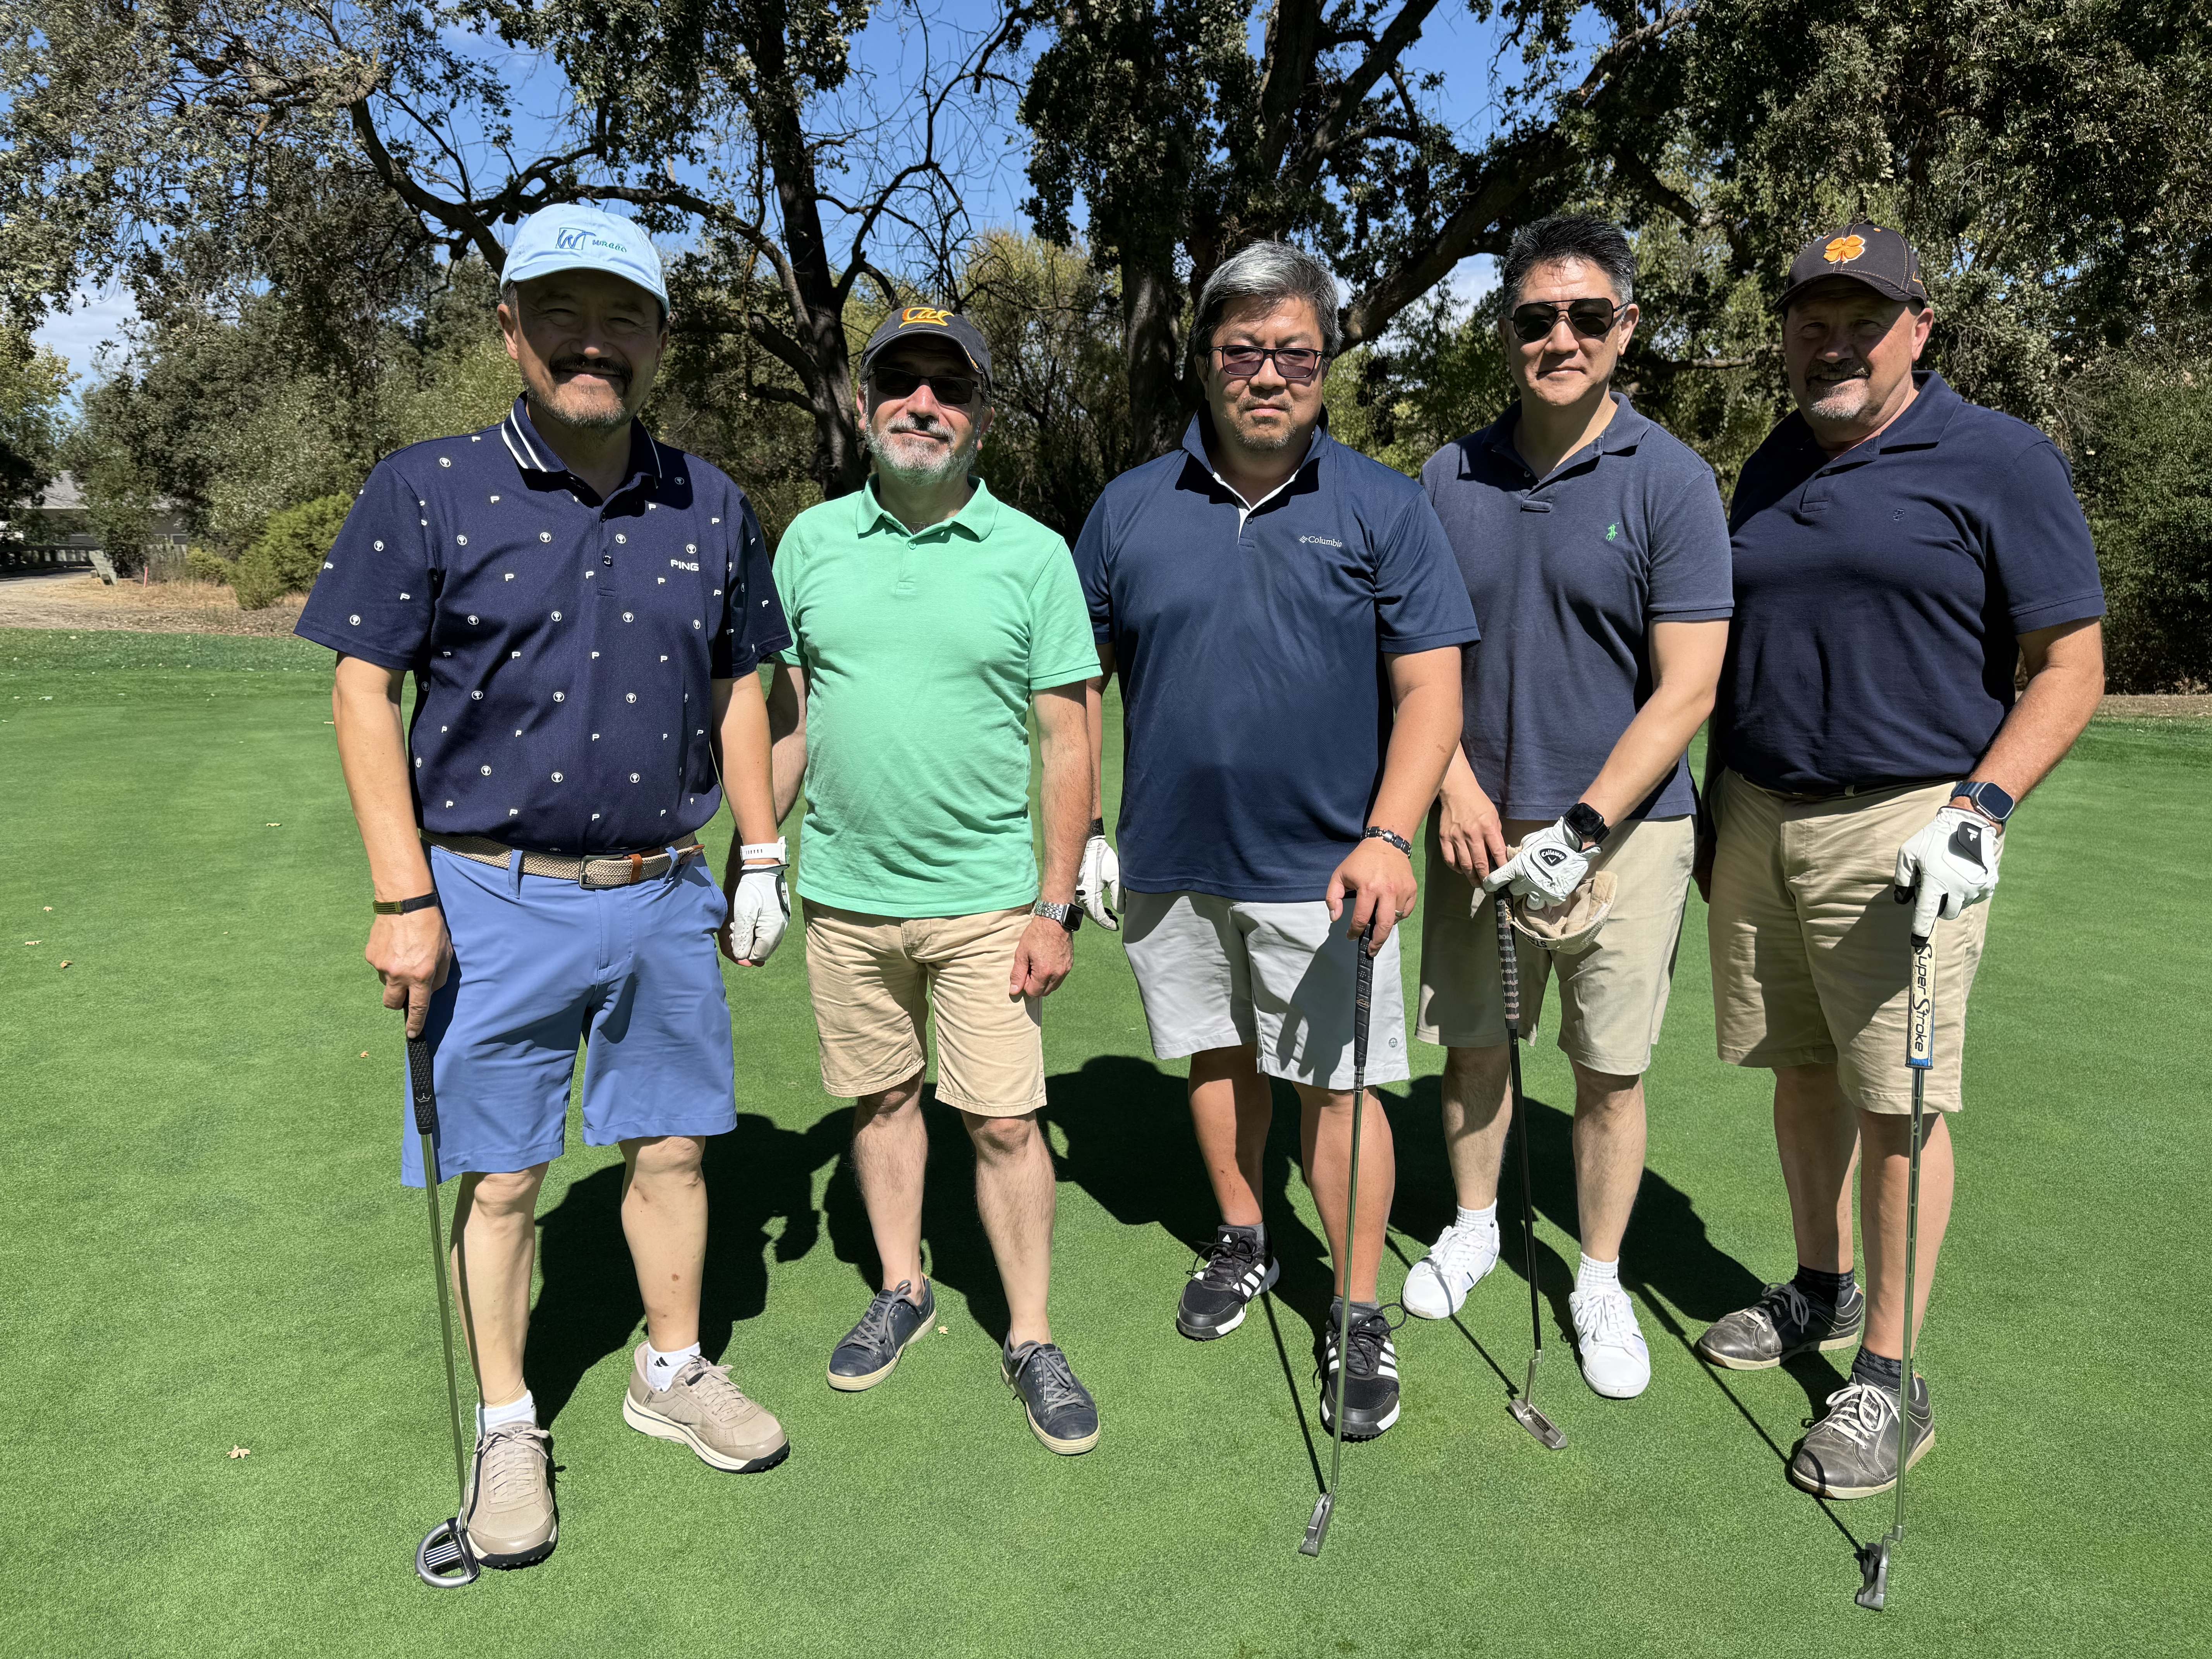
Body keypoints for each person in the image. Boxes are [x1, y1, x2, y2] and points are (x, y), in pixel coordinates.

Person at [299, 204, 797, 1569]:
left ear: (660, 339)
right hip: (486, 892)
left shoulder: (712, 502)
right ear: (511, 327)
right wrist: (403, 897)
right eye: (564, 314)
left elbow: (740, 686)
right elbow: (362, 688)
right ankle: (509, 1422)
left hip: (661, 888)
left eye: (623, 316)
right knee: (506, 1177)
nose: (595, 342)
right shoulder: (428, 487)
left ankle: (672, 1367)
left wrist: (761, 850)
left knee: (675, 1147)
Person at [1693, 222, 2106, 1498]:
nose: (1835, 345)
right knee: (1803, 1071)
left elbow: (2071, 665)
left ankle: (1891, 1372)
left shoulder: (1999, 458)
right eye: (1812, 322)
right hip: (1759, 813)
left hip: (1909, 822)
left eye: (1863, 323)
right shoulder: (1771, 464)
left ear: (1919, 330)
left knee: (1898, 1103)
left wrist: (1984, 808)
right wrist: (1711, 813)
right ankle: (1821, 1285)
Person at [1075, 242, 1479, 1440]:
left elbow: (1433, 692)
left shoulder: (1385, 506)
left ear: (1326, 364)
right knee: (1216, 1058)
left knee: (1338, 1091)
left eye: (1295, 354)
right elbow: (1073, 689)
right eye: (1243, 351)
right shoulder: (1129, 507)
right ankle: (1246, 1234)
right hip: (1172, 859)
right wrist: (1083, 830)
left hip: (1329, 868)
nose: (1268, 374)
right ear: (1205, 362)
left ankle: (1356, 1307)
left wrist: (1393, 833)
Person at [1403, 214, 1733, 1401]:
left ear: (1625, 327)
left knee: (1610, 1070)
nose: (1562, 338)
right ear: (1507, 332)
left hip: (1625, 839)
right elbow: (1414, 657)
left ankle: (1598, 1277)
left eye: (1588, 316)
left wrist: (1582, 827)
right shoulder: (1446, 478)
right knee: (1475, 1046)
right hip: (1477, 828)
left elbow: (1688, 685)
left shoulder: (1672, 480)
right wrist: (1451, 782)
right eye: (1537, 317)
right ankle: (1475, 1225)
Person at [767, 306, 1104, 1455]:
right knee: (882, 1103)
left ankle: (1031, 1334)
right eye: (900, 383)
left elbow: (1068, 740)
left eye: (949, 388)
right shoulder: (810, 544)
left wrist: (1055, 905)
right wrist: (757, 850)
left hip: (986, 904)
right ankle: (902, 1287)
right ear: (864, 408)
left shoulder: (1034, 554)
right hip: (845, 899)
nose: (924, 404)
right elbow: (791, 718)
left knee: (1004, 1124)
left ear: (981, 418)